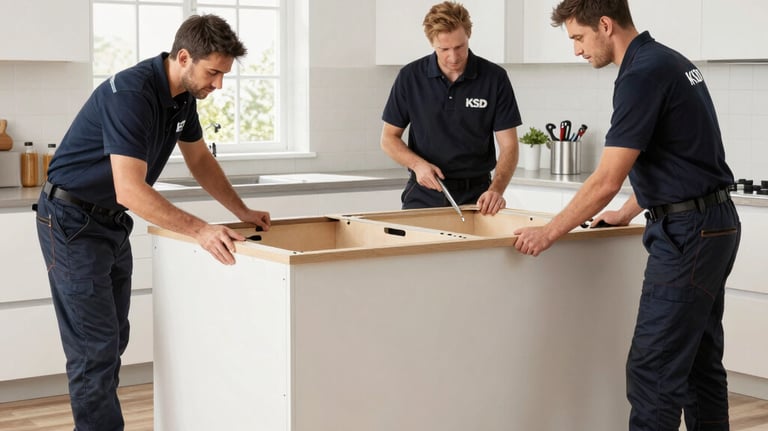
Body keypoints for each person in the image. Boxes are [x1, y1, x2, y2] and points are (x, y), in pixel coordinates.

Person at [33, 14, 271, 431]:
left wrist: (241, 212)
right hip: (70, 221)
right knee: (95, 350)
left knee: (112, 339)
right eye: (213, 72)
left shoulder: (181, 98)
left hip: (109, 221)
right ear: (184, 57)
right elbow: (130, 189)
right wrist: (200, 229)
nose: (218, 85)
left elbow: (199, 159)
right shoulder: (132, 93)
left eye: (223, 75)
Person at [513, 1, 741, 429]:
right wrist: (627, 211)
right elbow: (679, 157)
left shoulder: (640, 76)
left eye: (579, 38)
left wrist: (549, 232)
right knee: (698, 366)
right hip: (716, 223)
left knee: (653, 373)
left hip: (689, 235)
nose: (577, 51)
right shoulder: (671, 62)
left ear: (605, 24)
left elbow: (606, 179)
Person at [380, 1, 522, 215]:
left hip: (478, 196)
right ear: (432, 43)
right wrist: (417, 165)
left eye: (459, 47)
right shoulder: (410, 77)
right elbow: (388, 138)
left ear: (468, 36)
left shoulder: (495, 78)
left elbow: (509, 146)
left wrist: (496, 190)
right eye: (444, 49)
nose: (453, 57)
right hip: (424, 194)